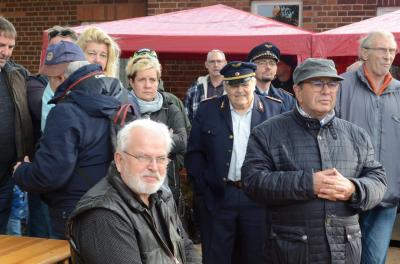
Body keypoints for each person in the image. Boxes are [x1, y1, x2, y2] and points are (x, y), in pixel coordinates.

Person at [242, 58, 388, 264]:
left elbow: (378, 180)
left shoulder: (356, 135)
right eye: (317, 83)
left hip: (345, 252)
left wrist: (354, 188)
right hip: (291, 252)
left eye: (332, 84)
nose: (326, 90)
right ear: (298, 91)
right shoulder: (268, 133)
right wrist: (309, 183)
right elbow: (253, 181)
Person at [13, 41, 128, 238]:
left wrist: (21, 172)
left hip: (75, 210)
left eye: (50, 79)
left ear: (60, 77)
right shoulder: (121, 96)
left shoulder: (66, 112)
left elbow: (49, 174)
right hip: (116, 205)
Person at [185, 61, 285, 264]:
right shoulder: (208, 110)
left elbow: (283, 156)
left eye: (245, 84)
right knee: (217, 257)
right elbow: (194, 153)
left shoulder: (275, 110)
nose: (240, 90)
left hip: (259, 199)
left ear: (253, 83)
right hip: (219, 197)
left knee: (257, 257)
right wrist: (204, 188)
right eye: (233, 85)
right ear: (225, 86)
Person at [68, 119, 201, 264]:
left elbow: (185, 247)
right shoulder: (103, 215)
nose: (154, 167)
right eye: (143, 157)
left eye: (161, 158)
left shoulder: (162, 194)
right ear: (119, 160)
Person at [336, 30, 400, 264]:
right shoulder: (340, 87)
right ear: (364, 52)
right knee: (343, 258)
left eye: (392, 51)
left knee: (374, 260)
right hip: (347, 193)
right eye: (382, 49)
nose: (388, 56)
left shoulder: (399, 92)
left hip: (387, 194)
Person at [125, 56, 187, 209]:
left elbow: (182, 142)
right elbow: (122, 146)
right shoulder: (123, 109)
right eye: (142, 80)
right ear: (132, 82)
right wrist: (166, 136)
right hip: (130, 186)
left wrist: (140, 143)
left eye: (152, 80)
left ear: (159, 82)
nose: (147, 85)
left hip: (167, 184)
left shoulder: (170, 107)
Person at [0, 16, 34, 234]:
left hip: (6, 177)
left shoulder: (18, 75)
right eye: (1, 45)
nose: (6, 52)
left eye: (11, 47)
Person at [247, 42, 295, 111]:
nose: (268, 67)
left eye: (272, 63)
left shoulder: (287, 99)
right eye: (262, 63)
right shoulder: (243, 96)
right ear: (252, 67)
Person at [184, 49, 227, 123]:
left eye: (219, 61)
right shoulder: (195, 88)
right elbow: (186, 118)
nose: (216, 65)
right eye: (212, 61)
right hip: (200, 133)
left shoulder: (233, 87)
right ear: (206, 64)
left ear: (225, 63)